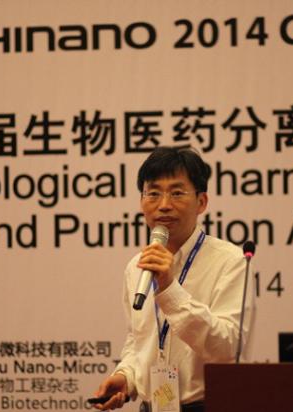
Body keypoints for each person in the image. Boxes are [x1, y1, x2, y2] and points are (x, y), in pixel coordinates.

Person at [93, 147, 253, 412]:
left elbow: (228, 348)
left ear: (201, 202)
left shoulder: (230, 261)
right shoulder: (137, 267)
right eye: (153, 193)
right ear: (141, 202)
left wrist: (169, 289)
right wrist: (126, 377)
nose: (164, 205)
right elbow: (138, 340)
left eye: (177, 193)